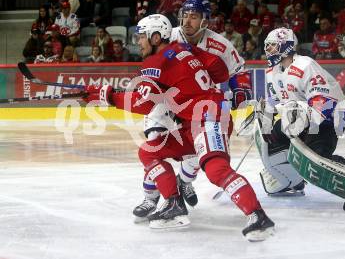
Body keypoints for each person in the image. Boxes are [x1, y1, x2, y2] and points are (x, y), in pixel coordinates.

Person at [83, 14, 274, 241]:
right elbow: (220, 71)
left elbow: (144, 105)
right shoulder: (184, 48)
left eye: (141, 37)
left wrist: (109, 97)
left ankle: (257, 216)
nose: (138, 42)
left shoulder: (155, 62)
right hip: (196, 121)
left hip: (208, 118)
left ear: (156, 37)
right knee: (149, 151)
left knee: (215, 169)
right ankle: (174, 204)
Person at [132, 0, 252, 223]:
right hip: (165, 100)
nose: (187, 21)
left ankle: (183, 182)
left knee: (197, 152)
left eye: (194, 17)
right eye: (184, 16)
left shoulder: (220, 45)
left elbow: (239, 70)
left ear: (205, 21)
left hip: (199, 104)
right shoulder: (170, 34)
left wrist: (240, 91)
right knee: (154, 144)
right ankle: (151, 196)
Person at [259, 27, 345, 211]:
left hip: (327, 119)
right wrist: (268, 111)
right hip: (297, 119)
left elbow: (325, 100)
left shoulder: (305, 65)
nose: (268, 51)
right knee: (272, 137)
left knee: (316, 159)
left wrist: (305, 119)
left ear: (286, 47)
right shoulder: (273, 71)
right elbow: (278, 98)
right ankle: (292, 180)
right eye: (268, 47)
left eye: (273, 46)